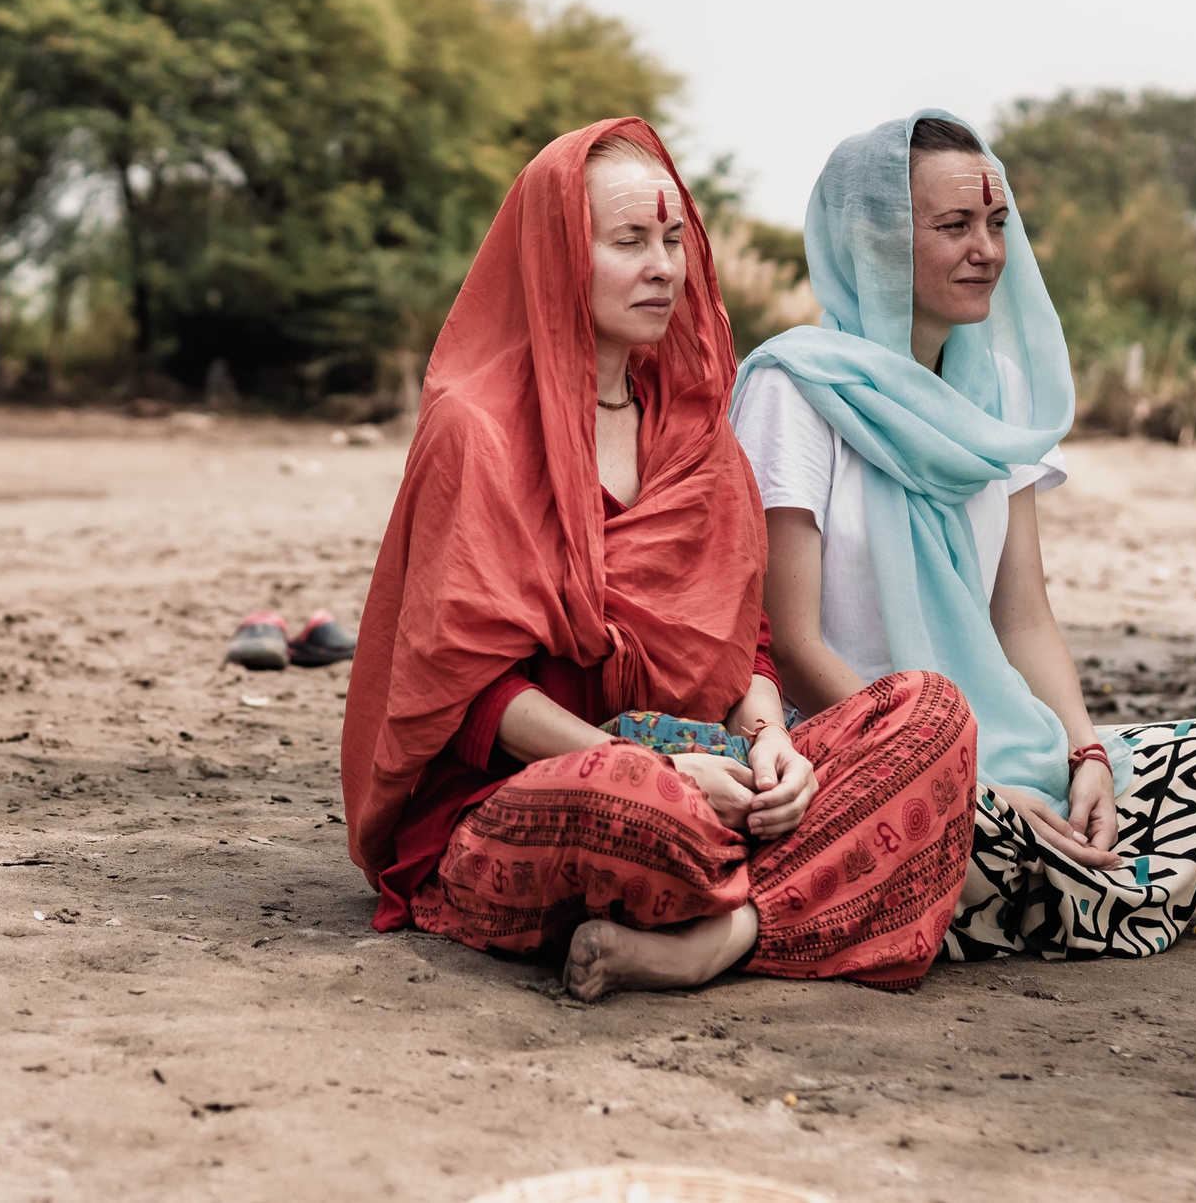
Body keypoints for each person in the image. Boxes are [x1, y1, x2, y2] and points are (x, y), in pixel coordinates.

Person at [340, 118, 980, 999]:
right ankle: (808, 890)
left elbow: (747, 647)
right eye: (630, 241)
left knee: (931, 713)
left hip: (711, 765)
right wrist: (659, 768)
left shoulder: (695, 433)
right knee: (638, 813)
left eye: (675, 240)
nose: (664, 267)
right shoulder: (477, 427)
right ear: (561, 253)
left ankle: (717, 936)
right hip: (540, 790)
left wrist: (770, 747)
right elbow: (467, 687)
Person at [733, 111, 1196, 960]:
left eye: (996, 223)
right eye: (953, 225)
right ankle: (1048, 890)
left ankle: (991, 896)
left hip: (1004, 755)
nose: (986, 250)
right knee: (958, 824)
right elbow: (792, 641)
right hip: (864, 759)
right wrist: (958, 772)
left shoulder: (1003, 395)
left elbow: (1022, 616)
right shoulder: (794, 387)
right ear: (874, 240)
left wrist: (1086, 751)